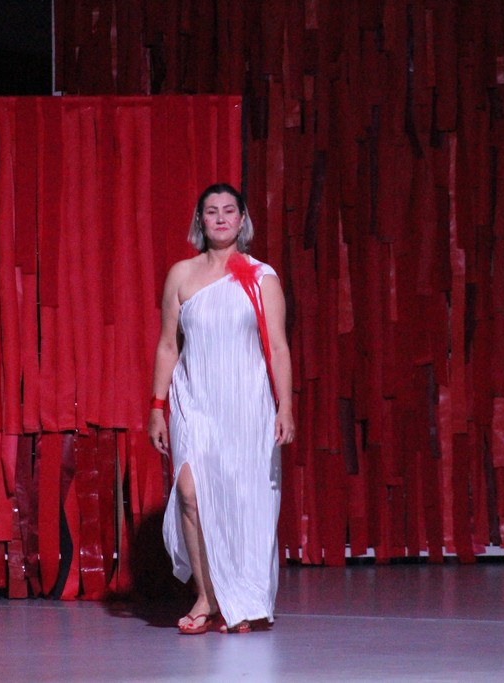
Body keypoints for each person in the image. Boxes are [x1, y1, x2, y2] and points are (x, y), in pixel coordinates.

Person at [148, 183, 294, 634]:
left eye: (229, 210)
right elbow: (168, 345)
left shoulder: (261, 277)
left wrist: (285, 406)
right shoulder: (181, 275)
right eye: (211, 212)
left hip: (246, 404)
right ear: (201, 220)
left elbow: (278, 347)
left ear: (242, 219)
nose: (221, 218)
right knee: (189, 492)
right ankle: (207, 595)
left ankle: (242, 599)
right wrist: (157, 406)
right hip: (194, 400)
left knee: (244, 501)